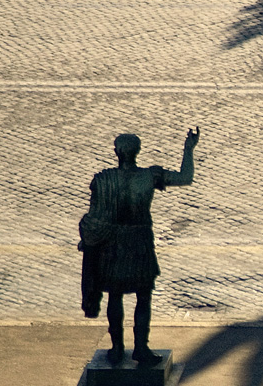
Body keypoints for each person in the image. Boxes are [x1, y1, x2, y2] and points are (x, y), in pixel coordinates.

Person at [79, 128, 200, 366]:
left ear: (117, 152)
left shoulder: (103, 180)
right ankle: (141, 348)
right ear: (138, 152)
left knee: (115, 295)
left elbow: (94, 216)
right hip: (140, 244)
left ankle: (116, 349)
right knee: (143, 297)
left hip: (113, 245)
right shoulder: (149, 176)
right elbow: (185, 178)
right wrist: (188, 150)